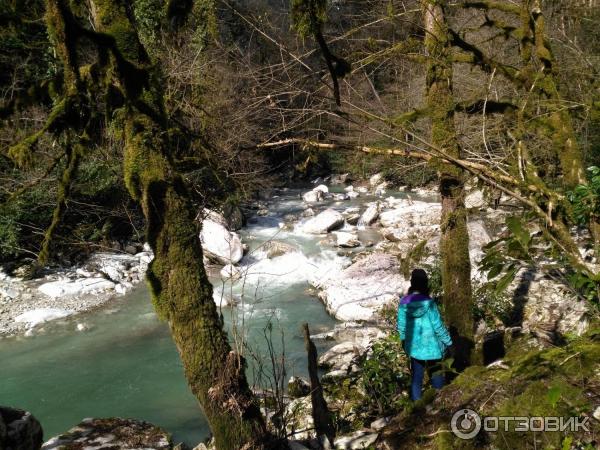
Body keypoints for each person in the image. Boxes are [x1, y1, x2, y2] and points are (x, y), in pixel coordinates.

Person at [397, 268, 452, 401]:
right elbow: (438, 326)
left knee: (417, 377)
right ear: (425, 283)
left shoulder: (404, 302)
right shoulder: (429, 302)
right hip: (432, 346)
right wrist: (449, 342)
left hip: (414, 346)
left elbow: (401, 326)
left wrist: (404, 341)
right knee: (436, 373)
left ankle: (417, 407)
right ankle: (439, 403)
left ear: (412, 282)